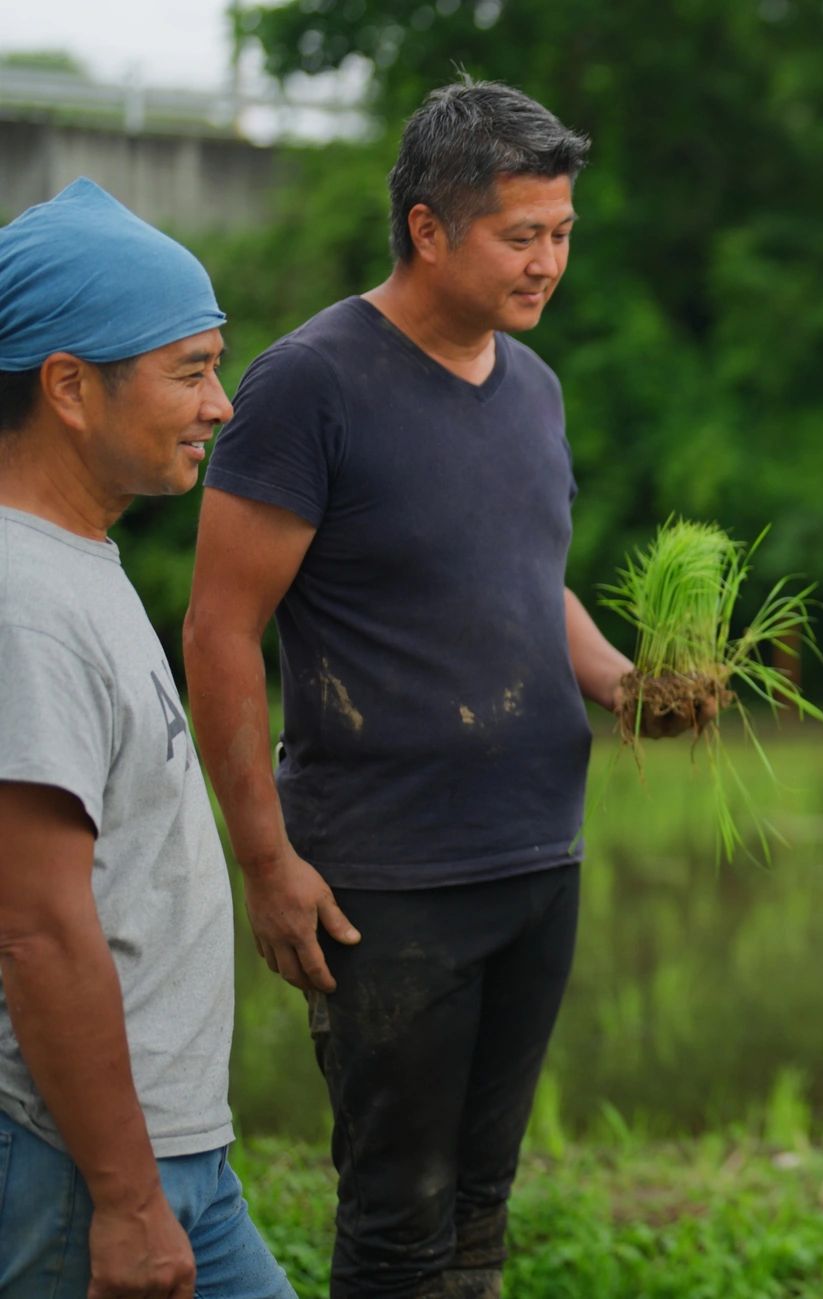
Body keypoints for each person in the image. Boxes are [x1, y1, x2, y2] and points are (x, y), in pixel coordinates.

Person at [181, 79, 687, 1299]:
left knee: (479, 1202)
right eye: (522, 235)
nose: (548, 263)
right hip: (387, 881)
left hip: (535, 857)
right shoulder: (310, 382)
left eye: (562, 234)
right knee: (397, 1213)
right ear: (426, 228)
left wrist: (621, 682)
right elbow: (217, 630)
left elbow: (526, 581)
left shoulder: (533, 386)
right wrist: (265, 860)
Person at [0, 179, 294, 1299]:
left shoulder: (80, 560)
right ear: (69, 387)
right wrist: (124, 1202)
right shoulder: (24, 601)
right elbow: (34, 927)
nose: (221, 403)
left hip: (166, 1159)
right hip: (75, 1170)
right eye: (191, 370)